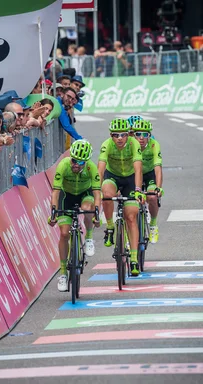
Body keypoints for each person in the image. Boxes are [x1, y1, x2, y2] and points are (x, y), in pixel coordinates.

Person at [49, 140, 101, 292]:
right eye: (74, 160)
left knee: (87, 209)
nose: (76, 164)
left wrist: (96, 213)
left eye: (80, 162)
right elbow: (56, 192)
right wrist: (53, 212)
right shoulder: (64, 165)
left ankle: (89, 237)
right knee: (64, 233)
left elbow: (97, 193)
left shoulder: (91, 167)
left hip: (85, 194)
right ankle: (63, 273)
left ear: (86, 162)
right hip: (67, 196)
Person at [98, 118, 145, 277]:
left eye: (123, 135)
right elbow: (100, 168)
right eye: (116, 135)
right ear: (111, 136)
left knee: (131, 216)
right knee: (106, 194)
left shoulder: (134, 144)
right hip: (113, 177)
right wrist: (96, 189)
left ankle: (133, 258)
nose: (119, 138)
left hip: (131, 179)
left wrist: (138, 190)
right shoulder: (106, 145)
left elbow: (138, 169)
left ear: (127, 135)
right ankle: (110, 226)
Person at [131, 119, 164, 243]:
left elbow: (158, 169)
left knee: (152, 197)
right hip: (134, 174)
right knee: (129, 202)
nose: (141, 137)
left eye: (145, 134)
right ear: (133, 135)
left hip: (150, 174)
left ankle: (153, 225)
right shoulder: (129, 144)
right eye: (138, 134)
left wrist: (158, 188)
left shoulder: (154, 145)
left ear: (149, 136)